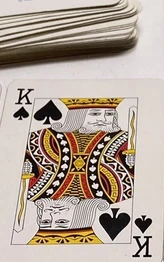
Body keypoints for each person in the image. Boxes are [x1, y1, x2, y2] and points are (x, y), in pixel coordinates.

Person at [18, 98, 135, 243]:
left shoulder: (123, 139)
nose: (104, 119)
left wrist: (131, 163)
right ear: (77, 115)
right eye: (95, 114)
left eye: (110, 114)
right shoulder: (43, 137)